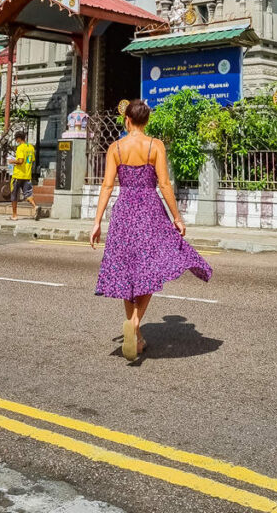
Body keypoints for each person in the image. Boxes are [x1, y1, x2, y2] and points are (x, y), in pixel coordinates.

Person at [90, 99, 212, 361]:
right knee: (148, 269)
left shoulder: (116, 148)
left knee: (127, 271)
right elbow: (165, 185)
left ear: (127, 120)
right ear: (146, 121)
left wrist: (97, 221)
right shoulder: (155, 146)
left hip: (124, 212)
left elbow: (108, 186)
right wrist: (177, 218)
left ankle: (135, 330)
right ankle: (135, 324)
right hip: (149, 210)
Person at [9, 131, 37, 220]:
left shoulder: (20, 148)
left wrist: (12, 161)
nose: (16, 141)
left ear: (18, 138)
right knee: (28, 194)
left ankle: (14, 215)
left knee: (14, 195)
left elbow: (20, 161)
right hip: (27, 175)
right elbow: (30, 160)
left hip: (18, 175)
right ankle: (35, 206)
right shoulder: (31, 147)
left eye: (16, 139)